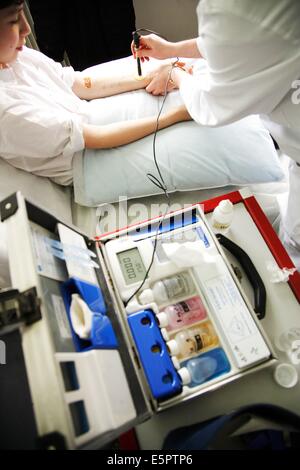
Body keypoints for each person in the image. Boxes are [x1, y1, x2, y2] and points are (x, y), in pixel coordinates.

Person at [133, 0, 300, 270]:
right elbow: (245, 39)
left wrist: (175, 74)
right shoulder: (240, 14)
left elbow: (211, 105)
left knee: (292, 255)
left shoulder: (230, 10)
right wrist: (172, 50)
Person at [0, 0, 190, 187]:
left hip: (90, 124)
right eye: (13, 20)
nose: (27, 29)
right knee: (189, 135)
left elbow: (82, 84)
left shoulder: (19, 57)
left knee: (184, 83)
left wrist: (152, 75)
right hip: (88, 163)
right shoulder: (6, 111)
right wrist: (178, 116)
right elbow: (96, 137)